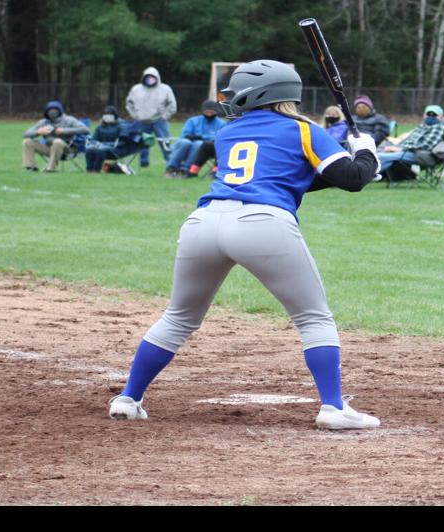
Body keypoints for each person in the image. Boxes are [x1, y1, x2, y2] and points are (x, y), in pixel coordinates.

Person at [106, 59, 384, 430]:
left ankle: (128, 398)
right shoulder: (304, 129)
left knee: (178, 317)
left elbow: (288, 176)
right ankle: (333, 408)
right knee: (314, 318)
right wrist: (365, 153)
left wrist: (360, 167)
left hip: (202, 223)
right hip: (262, 224)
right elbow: (349, 179)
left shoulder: (226, 133)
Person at [379, 103, 444, 179]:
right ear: (424, 115)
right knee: (379, 153)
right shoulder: (422, 126)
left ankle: (371, 176)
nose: (431, 116)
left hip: (422, 155)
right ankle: (379, 176)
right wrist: (395, 147)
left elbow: (426, 146)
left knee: (382, 156)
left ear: (441, 117)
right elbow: (408, 141)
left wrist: (400, 149)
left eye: (434, 115)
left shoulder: (439, 127)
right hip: (407, 152)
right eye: (428, 114)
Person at [125, 66, 177, 168]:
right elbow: (129, 103)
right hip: (141, 121)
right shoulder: (136, 89)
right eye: (147, 77)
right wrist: (135, 115)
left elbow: (172, 105)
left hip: (159, 121)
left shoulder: (165, 89)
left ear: (157, 77)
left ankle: (171, 163)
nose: (150, 79)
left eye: (152, 77)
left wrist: (165, 116)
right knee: (142, 142)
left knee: (165, 142)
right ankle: (144, 163)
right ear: (144, 77)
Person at [20, 100, 89, 172]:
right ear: (46, 112)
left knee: (57, 141)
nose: (52, 112)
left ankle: (50, 169)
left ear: (59, 110)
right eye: (49, 110)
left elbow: (85, 129)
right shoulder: (44, 122)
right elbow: (25, 134)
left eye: (54, 110)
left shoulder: (69, 120)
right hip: (49, 148)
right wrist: (39, 132)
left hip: (68, 150)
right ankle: (31, 167)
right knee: (27, 142)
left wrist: (64, 131)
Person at [164, 100, 226, 176]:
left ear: (216, 112)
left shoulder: (221, 123)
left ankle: (185, 169)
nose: (209, 114)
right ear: (203, 111)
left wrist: (201, 137)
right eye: (207, 112)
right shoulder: (193, 121)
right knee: (184, 142)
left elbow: (220, 137)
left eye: (212, 112)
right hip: (186, 144)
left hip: (205, 147)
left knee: (198, 143)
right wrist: (202, 137)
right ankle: (171, 168)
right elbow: (185, 135)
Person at [83, 105, 147, 173]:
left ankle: (96, 171)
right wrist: (95, 144)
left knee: (100, 150)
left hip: (117, 150)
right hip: (102, 148)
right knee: (89, 149)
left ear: (115, 116)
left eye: (109, 114)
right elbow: (94, 139)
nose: (107, 116)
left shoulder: (122, 126)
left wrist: (104, 144)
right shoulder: (100, 127)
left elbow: (122, 141)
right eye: (105, 114)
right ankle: (89, 170)